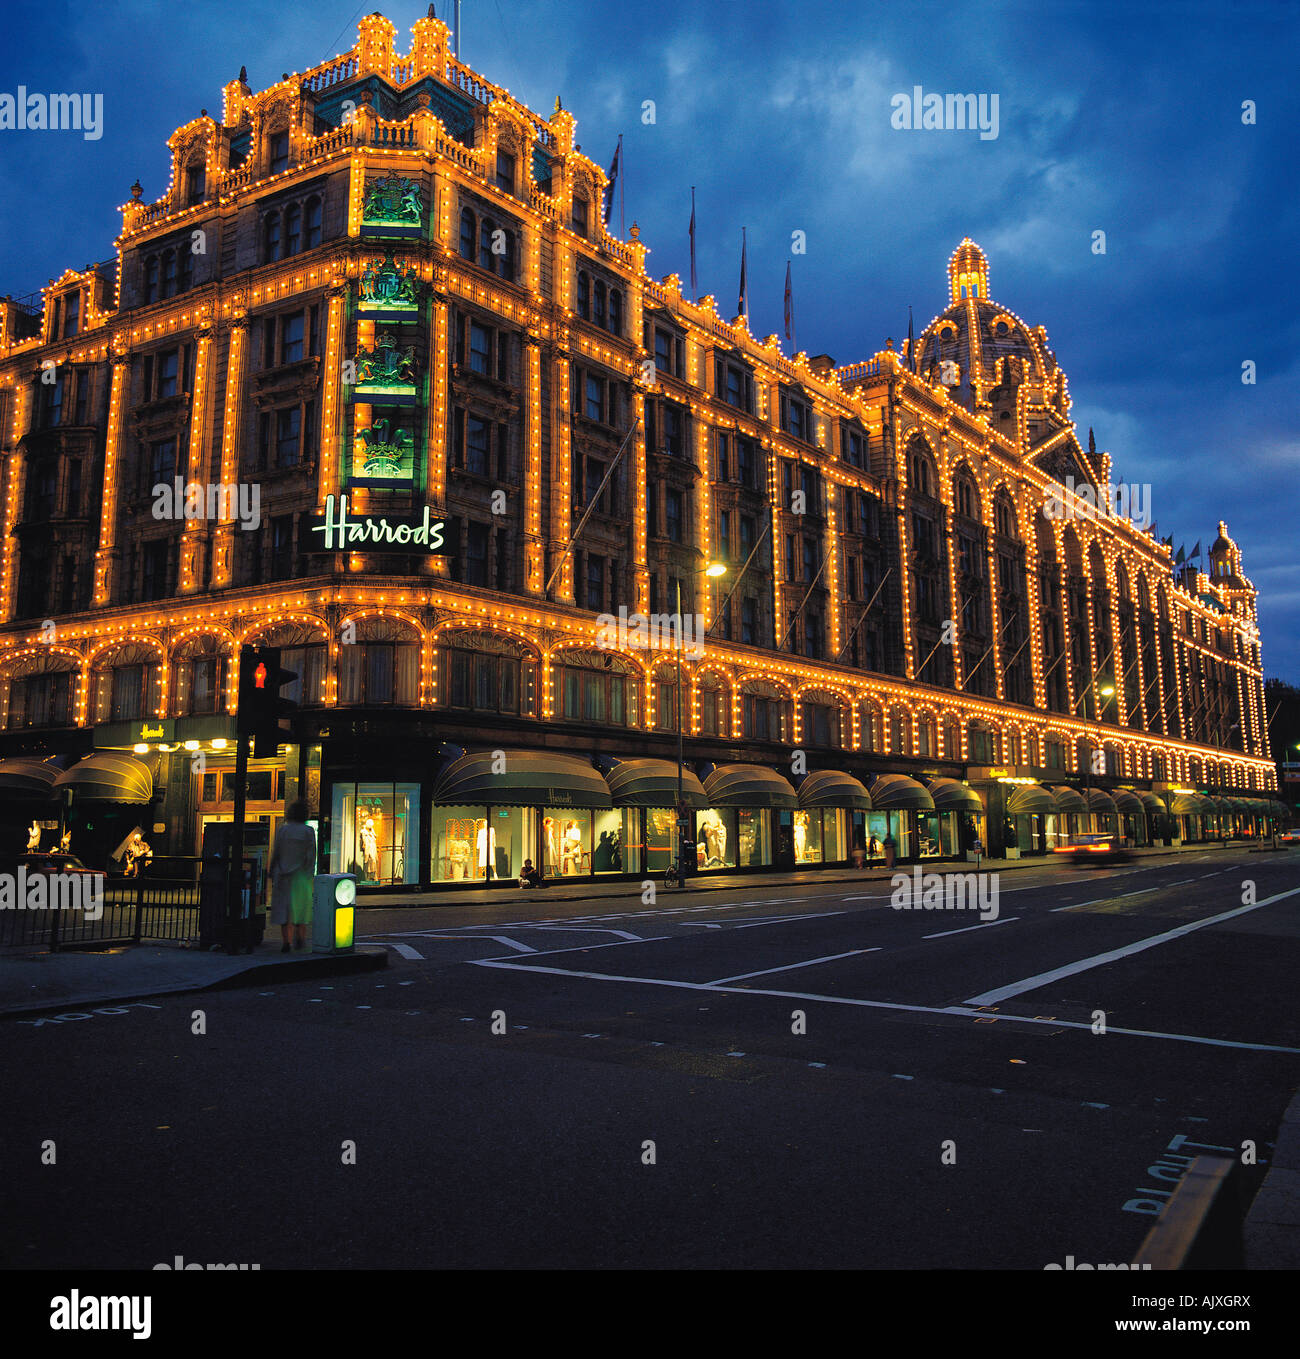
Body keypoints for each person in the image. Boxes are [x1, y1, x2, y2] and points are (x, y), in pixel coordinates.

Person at [268, 800, 317, 952]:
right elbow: (311, 855)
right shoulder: (308, 831)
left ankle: (286, 942)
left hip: (283, 875)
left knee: (285, 909)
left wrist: (272, 870)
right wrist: (309, 873)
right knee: (301, 908)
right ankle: (300, 937)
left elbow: (276, 851)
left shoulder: (283, 830)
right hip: (301, 875)